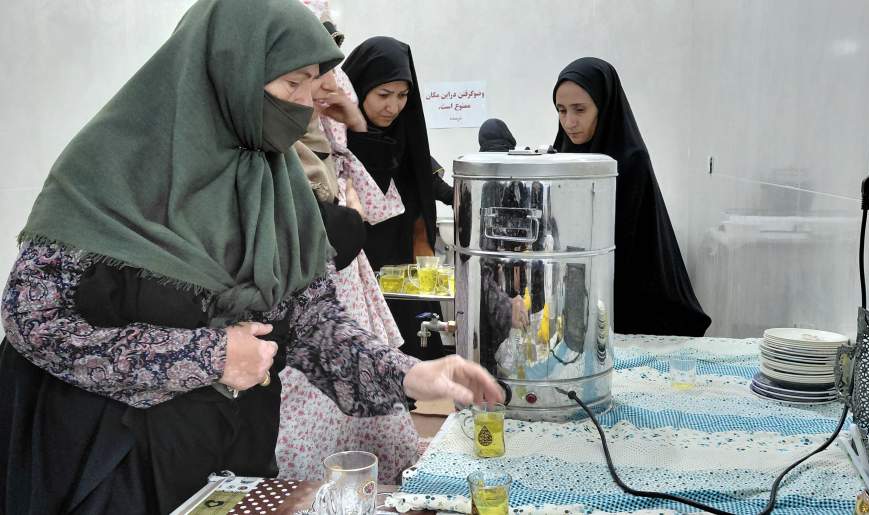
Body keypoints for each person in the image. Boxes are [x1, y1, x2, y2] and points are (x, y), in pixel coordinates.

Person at [0, 2, 502, 513]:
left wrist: (408, 374)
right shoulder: (110, 168)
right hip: (108, 462)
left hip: (228, 453)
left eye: (314, 84)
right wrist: (208, 355)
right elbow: (33, 320)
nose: (305, 105)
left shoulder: (272, 177)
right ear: (231, 70)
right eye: (292, 85)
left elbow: (309, 322)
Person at [277, 2, 417, 483]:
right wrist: (347, 221)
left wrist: (354, 122)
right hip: (302, 283)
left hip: (345, 284)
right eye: (295, 77)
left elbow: (369, 203)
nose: (314, 85)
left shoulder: (333, 102)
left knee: (361, 399)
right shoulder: (261, 133)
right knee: (309, 402)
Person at [552, 57, 710, 336]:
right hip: (582, 290)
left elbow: (625, 243)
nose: (569, 122)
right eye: (561, 110)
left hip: (635, 298)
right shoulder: (563, 156)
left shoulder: (631, 159)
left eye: (580, 109)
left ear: (605, 106)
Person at [342, 36, 452, 359]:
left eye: (403, 95)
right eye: (383, 95)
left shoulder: (406, 136)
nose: (393, 107)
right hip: (355, 270)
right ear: (360, 87)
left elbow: (427, 181)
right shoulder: (336, 140)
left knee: (415, 356)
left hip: (403, 273)